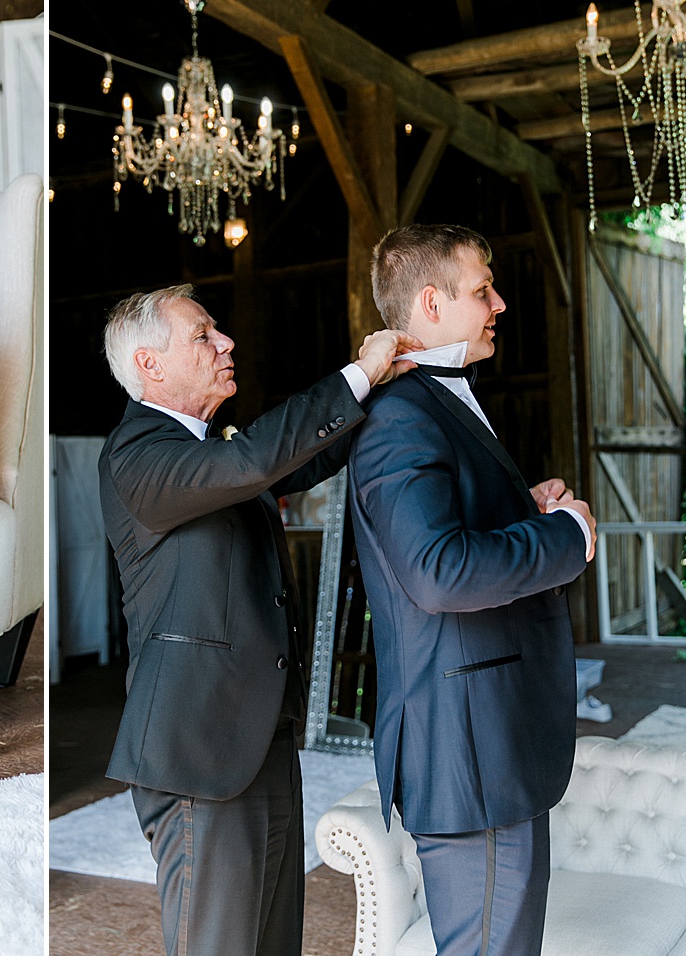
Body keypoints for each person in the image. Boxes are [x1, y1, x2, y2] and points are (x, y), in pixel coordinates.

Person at [97, 284, 420, 956]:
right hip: (198, 750)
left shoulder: (213, 451)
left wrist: (385, 386)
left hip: (258, 738)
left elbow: (299, 457)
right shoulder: (138, 455)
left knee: (274, 944)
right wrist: (355, 372)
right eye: (203, 334)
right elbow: (252, 463)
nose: (226, 343)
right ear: (149, 365)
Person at [348, 224, 597, 955]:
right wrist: (565, 537)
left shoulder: (440, 402)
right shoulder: (400, 415)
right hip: (467, 750)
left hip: (490, 740)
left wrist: (524, 506)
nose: (501, 303)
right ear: (430, 303)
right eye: (482, 289)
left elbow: (450, 534)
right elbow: (437, 571)